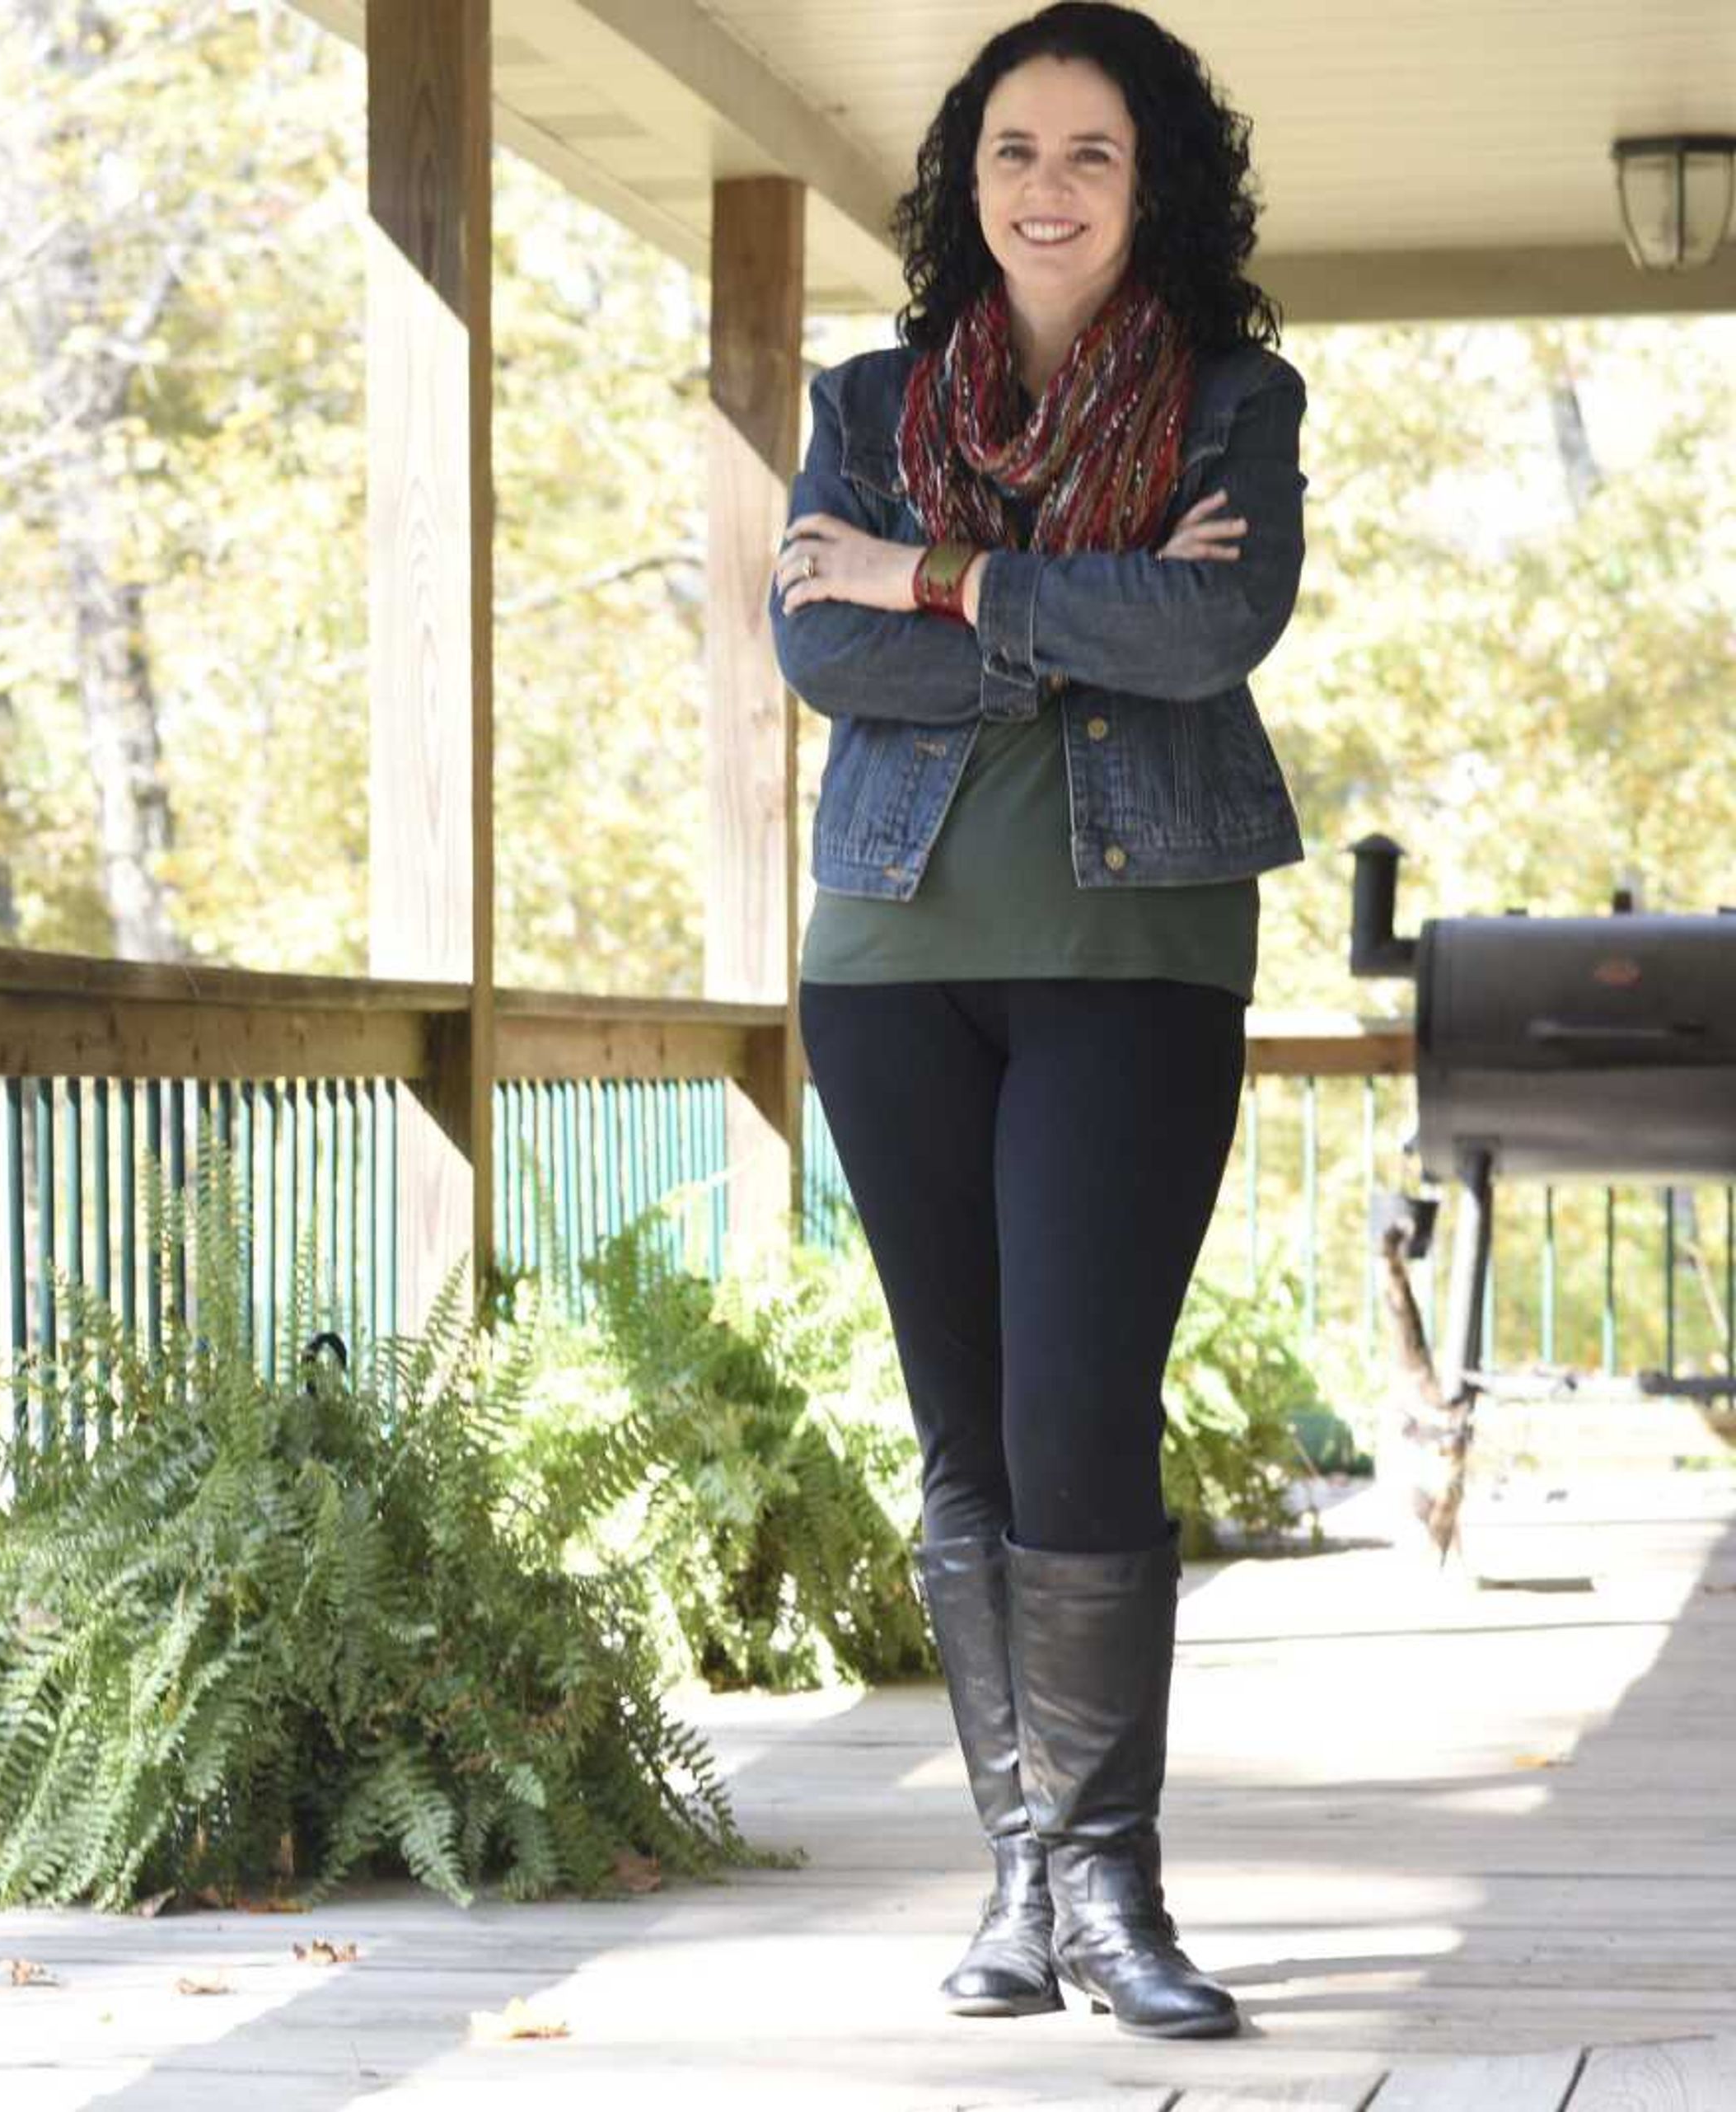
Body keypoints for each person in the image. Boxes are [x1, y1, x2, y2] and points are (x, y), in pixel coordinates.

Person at [765, 1, 1309, 2043]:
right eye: (1013, 149)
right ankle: (1027, 1883)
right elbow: (825, 650)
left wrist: (944, 579)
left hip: (1138, 956)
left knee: (1085, 1414)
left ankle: (1117, 1886)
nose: (1047, 186)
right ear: (965, 179)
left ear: (1150, 177)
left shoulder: (1234, 401)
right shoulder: (866, 393)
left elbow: (1220, 627)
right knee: (970, 1428)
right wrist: (1054, 601)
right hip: (889, 960)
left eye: (1090, 150)